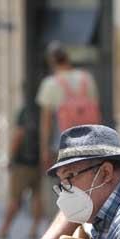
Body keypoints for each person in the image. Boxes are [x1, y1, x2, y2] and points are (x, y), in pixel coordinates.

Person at [36, 41, 101, 171]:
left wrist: (44, 150)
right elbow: (97, 110)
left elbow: (46, 122)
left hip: (62, 145)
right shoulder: (86, 78)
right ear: (67, 58)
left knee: (64, 184)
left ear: (51, 61)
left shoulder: (50, 83)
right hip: (88, 144)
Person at [0, 101, 44, 239]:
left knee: (15, 198)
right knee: (37, 196)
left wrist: (11, 157)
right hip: (37, 160)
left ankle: (4, 230)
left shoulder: (25, 112)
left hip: (23, 162)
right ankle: (34, 229)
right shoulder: (43, 111)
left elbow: (19, 135)